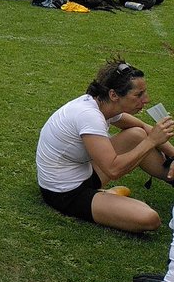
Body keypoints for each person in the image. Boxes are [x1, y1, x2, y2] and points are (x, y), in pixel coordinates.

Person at [36, 58, 174, 234]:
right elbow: (113, 170)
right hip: (66, 192)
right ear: (114, 95)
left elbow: (143, 128)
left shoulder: (103, 104)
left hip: (85, 172)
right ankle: (103, 198)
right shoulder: (89, 115)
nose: (146, 100)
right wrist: (151, 141)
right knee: (149, 219)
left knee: (137, 134)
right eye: (138, 95)